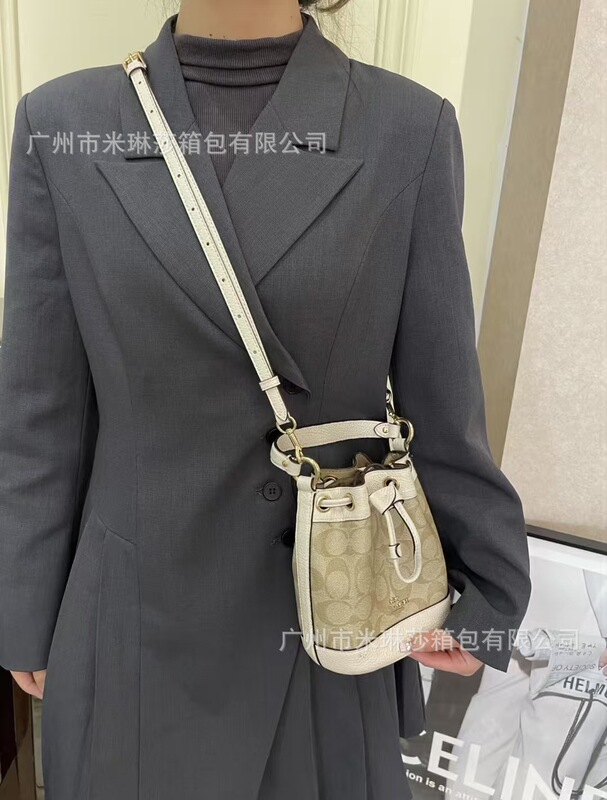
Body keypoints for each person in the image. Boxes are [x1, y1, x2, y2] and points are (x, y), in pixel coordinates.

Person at [0, 0, 532, 797]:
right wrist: (26, 608)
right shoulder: (64, 125)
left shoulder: (405, 130)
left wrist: (486, 594)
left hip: (326, 621)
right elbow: (40, 410)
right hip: (129, 629)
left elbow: (441, 398)